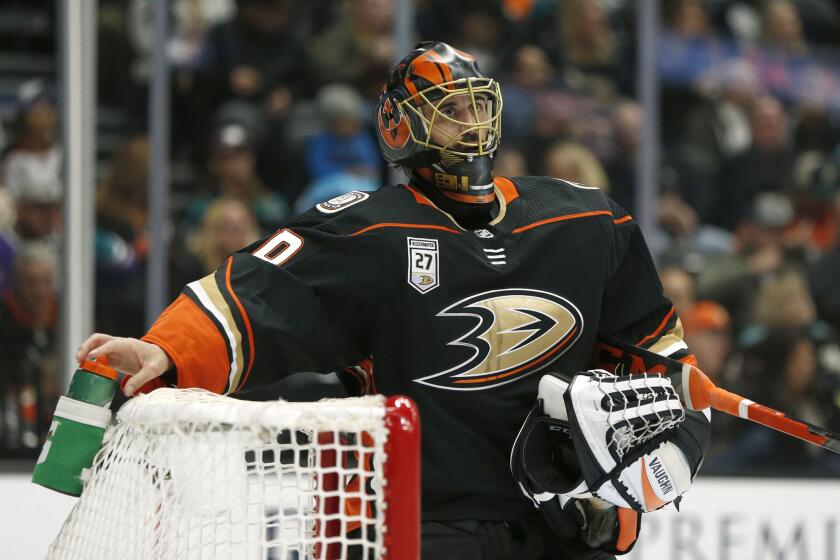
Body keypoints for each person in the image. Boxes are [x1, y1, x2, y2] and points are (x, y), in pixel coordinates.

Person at [77, 42, 710, 560]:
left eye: (475, 106)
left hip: (559, 524)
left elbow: (658, 357)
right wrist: (165, 348)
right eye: (447, 110)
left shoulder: (585, 221)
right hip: (424, 526)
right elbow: (252, 297)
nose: (470, 123)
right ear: (400, 125)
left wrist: (651, 469)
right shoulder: (365, 232)